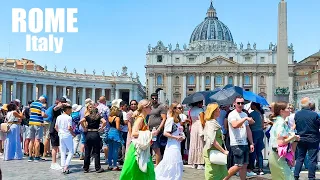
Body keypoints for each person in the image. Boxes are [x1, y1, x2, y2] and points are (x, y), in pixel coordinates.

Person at [120, 99, 155, 180]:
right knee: (133, 169)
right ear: (144, 108)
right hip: (137, 149)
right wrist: (150, 133)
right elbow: (134, 133)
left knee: (143, 169)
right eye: (149, 106)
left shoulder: (143, 118)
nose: (151, 108)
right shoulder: (140, 119)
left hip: (142, 148)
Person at [224, 96, 255, 180]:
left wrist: (251, 142)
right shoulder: (232, 114)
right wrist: (245, 119)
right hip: (236, 143)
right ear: (234, 104)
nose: (240, 105)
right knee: (238, 165)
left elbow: (248, 130)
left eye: (242, 103)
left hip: (244, 142)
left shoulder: (244, 114)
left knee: (244, 165)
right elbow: (234, 125)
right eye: (238, 103)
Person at [268, 101, 299, 180]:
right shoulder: (281, 123)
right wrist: (293, 137)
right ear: (282, 111)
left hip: (277, 155)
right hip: (277, 156)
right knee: (288, 177)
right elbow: (281, 142)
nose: (290, 110)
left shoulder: (279, 121)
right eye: (288, 108)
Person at [155, 103, 185, 180]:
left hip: (177, 143)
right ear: (174, 109)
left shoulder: (178, 120)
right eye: (179, 108)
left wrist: (182, 135)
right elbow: (165, 133)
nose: (181, 109)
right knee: (171, 162)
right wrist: (175, 137)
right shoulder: (170, 119)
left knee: (176, 162)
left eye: (181, 108)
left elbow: (179, 131)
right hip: (172, 144)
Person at [294, 97, 320, 180]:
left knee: (300, 158)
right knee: (312, 159)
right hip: (313, 138)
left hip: (301, 138)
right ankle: (311, 177)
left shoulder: (297, 114)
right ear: (309, 105)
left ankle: (296, 175)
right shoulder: (314, 114)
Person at [203, 103, 228, 180]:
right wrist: (223, 151)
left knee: (219, 173)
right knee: (213, 174)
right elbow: (212, 140)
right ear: (213, 111)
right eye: (218, 109)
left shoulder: (214, 122)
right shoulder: (211, 123)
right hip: (212, 150)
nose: (219, 110)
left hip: (216, 150)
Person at [80, 106, 106, 173]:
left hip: (88, 133)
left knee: (87, 151)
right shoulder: (98, 117)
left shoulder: (88, 117)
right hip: (95, 133)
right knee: (96, 152)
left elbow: (81, 121)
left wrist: (84, 128)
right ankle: (97, 168)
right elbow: (104, 121)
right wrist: (101, 128)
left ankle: (86, 168)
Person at [55, 105, 75, 174]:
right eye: (70, 110)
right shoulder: (69, 118)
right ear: (67, 110)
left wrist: (59, 132)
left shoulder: (59, 117)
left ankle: (63, 166)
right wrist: (73, 134)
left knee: (63, 151)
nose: (71, 111)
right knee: (71, 151)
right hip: (67, 134)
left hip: (61, 134)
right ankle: (66, 165)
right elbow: (69, 128)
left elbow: (56, 127)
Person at [148, 93, 167, 165]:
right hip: (150, 130)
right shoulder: (150, 107)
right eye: (153, 98)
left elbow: (164, 118)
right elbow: (150, 117)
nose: (154, 100)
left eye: (155, 98)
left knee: (156, 148)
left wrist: (159, 129)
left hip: (157, 130)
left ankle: (158, 165)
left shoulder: (161, 107)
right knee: (150, 147)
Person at [49, 97, 68, 170]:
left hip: (60, 130)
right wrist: (61, 104)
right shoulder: (55, 108)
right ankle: (53, 163)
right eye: (62, 102)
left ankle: (59, 162)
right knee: (54, 146)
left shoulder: (62, 110)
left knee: (60, 147)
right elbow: (55, 109)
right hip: (54, 130)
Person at [28, 96, 47, 162]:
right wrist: (47, 116)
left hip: (31, 123)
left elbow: (30, 113)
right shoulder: (42, 105)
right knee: (37, 140)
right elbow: (43, 115)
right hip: (38, 123)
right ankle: (36, 157)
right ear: (43, 100)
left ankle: (30, 157)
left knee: (31, 140)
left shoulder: (32, 104)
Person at [248, 102, 265, 175]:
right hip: (261, 132)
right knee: (259, 151)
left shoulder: (252, 114)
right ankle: (260, 168)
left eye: (251, 105)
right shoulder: (261, 114)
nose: (250, 106)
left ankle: (251, 167)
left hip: (254, 132)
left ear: (254, 106)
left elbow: (249, 123)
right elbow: (262, 124)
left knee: (253, 150)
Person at [106, 99, 123, 171]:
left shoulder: (109, 117)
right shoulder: (117, 118)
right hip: (115, 133)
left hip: (110, 132)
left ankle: (110, 164)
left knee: (110, 149)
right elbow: (118, 127)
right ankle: (115, 165)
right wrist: (121, 129)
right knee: (115, 150)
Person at [188, 100, 205, 169]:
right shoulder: (200, 110)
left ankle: (193, 162)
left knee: (194, 144)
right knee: (200, 143)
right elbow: (202, 121)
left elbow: (190, 120)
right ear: (199, 103)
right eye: (201, 103)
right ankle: (200, 163)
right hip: (199, 126)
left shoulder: (191, 110)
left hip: (193, 126)